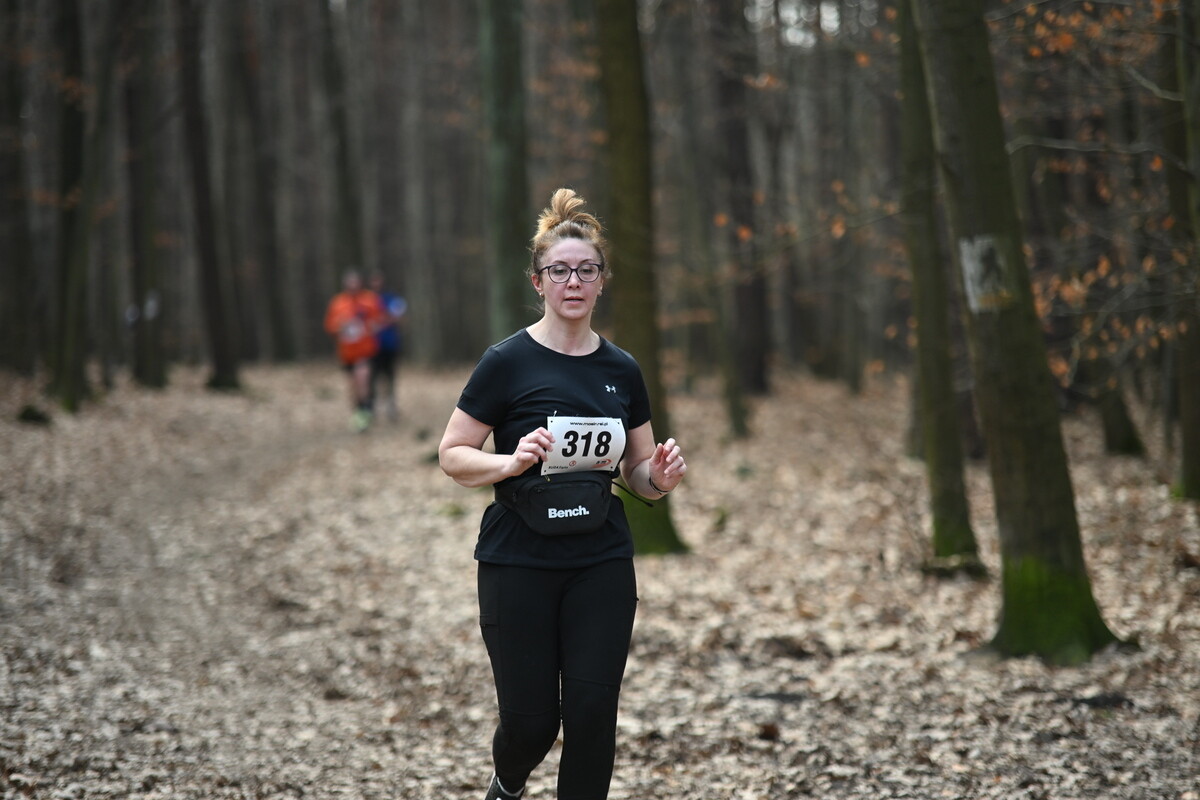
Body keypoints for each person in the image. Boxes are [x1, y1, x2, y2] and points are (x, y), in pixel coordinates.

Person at [438, 188, 687, 800]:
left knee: (593, 714)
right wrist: (509, 461)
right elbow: (453, 454)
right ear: (538, 282)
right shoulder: (506, 362)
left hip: (599, 556)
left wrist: (658, 478)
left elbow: (637, 470)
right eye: (559, 271)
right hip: (518, 558)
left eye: (586, 270)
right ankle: (506, 785)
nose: (573, 281)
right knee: (532, 725)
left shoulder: (622, 369)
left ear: (602, 282)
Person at [324, 269, 385, 432]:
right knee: (352, 386)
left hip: (365, 350)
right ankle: (359, 411)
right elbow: (330, 326)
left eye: (355, 282)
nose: (352, 286)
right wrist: (340, 326)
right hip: (346, 353)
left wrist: (371, 326)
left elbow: (379, 319)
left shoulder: (369, 300)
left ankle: (365, 410)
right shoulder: (338, 303)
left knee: (362, 379)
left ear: (360, 283)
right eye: (349, 283)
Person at [368, 270, 407, 422]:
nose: (376, 284)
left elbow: (399, 317)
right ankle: (372, 408)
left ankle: (391, 407)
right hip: (371, 347)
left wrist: (381, 321)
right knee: (372, 378)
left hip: (390, 345)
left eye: (378, 281)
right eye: (374, 281)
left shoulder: (391, 298)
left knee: (390, 377)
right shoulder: (367, 300)